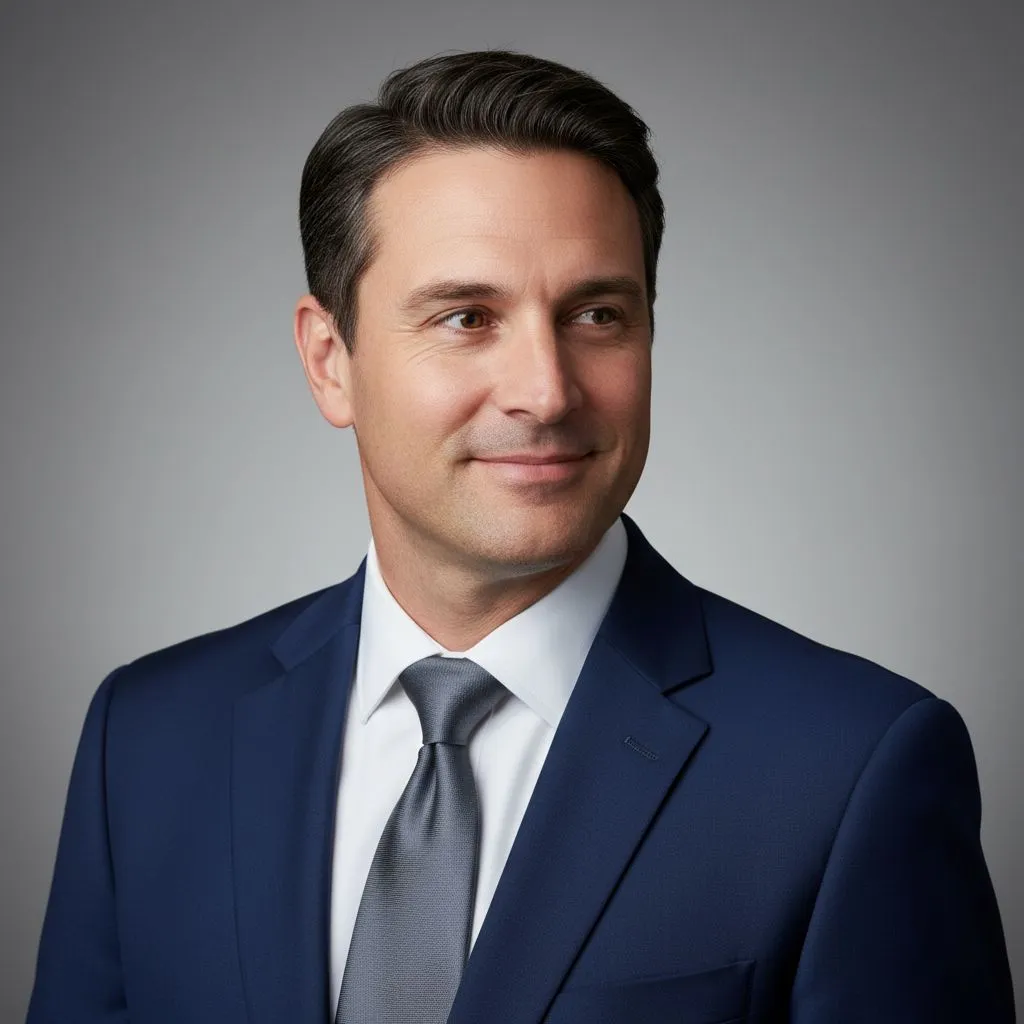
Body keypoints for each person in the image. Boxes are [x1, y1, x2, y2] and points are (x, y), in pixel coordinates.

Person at [27, 49, 1015, 1024]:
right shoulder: (147, 739)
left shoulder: (850, 766)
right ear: (331, 361)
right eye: (465, 316)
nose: (546, 391)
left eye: (596, 313)